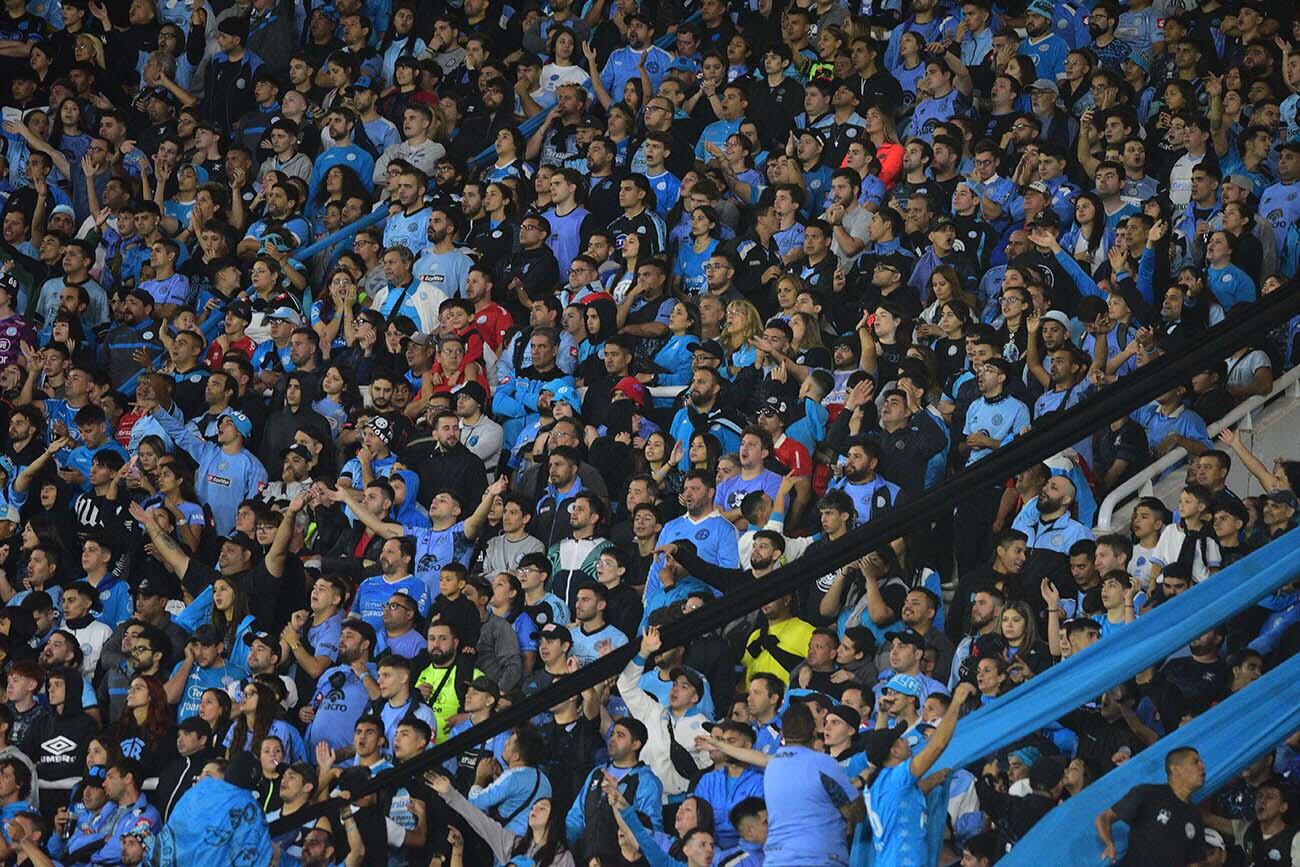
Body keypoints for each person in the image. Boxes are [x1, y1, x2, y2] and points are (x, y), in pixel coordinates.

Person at [1096, 747, 1207, 866]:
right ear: (1175, 769)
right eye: (1195, 762)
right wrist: (1109, 844)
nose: (1202, 766)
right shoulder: (1148, 794)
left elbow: (1193, 862)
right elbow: (1104, 818)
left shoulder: (1196, 816)